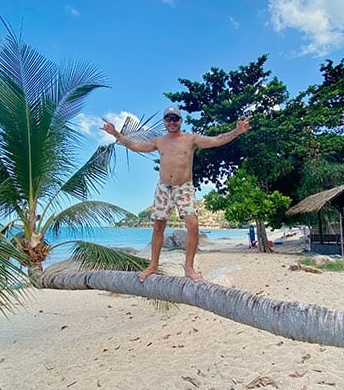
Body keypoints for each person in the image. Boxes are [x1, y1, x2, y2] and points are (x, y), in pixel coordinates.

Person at [100, 106, 252, 282]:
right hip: (163, 187)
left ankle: (188, 267)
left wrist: (237, 131)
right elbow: (135, 146)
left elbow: (217, 140)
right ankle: (153, 265)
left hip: (184, 187)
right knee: (158, 226)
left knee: (193, 225)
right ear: (165, 122)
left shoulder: (191, 139)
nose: (172, 122)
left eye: (175, 119)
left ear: (181, 120)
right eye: (168, 119)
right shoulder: (159, 141)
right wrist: (115, 134)